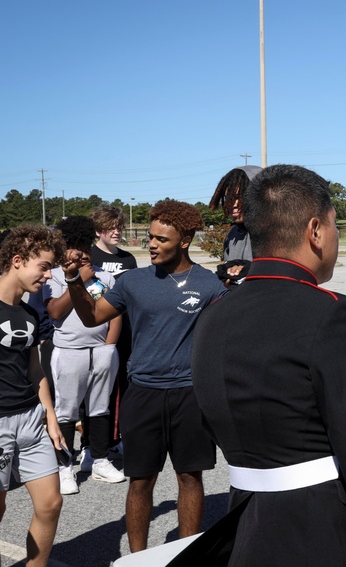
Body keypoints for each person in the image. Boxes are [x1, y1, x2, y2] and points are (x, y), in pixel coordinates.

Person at [189, 164, 346, 566]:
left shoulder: (214, 314)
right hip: (325, 528)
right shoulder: (331, 315)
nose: (335, 238)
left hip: (244, 524)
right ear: (314, 231)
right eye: (334, 227)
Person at [61, 199, 227, 552]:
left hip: (189, 395)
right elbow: (92, 316)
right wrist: (75, 279)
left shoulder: (210, 285)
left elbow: (233, 334)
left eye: (161, 240)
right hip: (143, 394)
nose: (151, 244)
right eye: (149, 237)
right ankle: (138, 557)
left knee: (189, 477)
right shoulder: (133, 281)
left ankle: (187, 552)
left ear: (184, 240)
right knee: (140, 482)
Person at [0, 224, 67, 566]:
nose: (48, 277)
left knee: (50, 503)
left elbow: (35, 368)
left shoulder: (29, 313)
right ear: (17, 260)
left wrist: (50, 416)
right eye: (43, 267)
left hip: (31, 419)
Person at [45, 216, 125, 494]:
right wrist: (78, 280)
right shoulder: (53, 276)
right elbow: (55, 311)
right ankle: (65, 467)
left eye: (84, 245)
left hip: (101, 350)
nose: (80, 252)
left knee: (100, 408)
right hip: (69, 351)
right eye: (74, 246)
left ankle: (98, 458)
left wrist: (109, 347)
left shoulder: (104, 275)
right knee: (66, 411)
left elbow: (113, 313)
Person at [89, 205, 137, 460]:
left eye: (119, 226)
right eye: (111, 227)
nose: (117, 232)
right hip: (98, 329)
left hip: (125, 330)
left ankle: (117, 438)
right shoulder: (90, 257)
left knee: (122, 385)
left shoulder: (128, 259)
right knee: (96, 388)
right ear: (99, 230)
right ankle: (92, 443)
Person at [209, 165, 262, 285]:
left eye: (238, 197)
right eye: (229, 198)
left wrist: (249, 270)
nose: (233, 204)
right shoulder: (233, 234)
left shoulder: (276, 231)